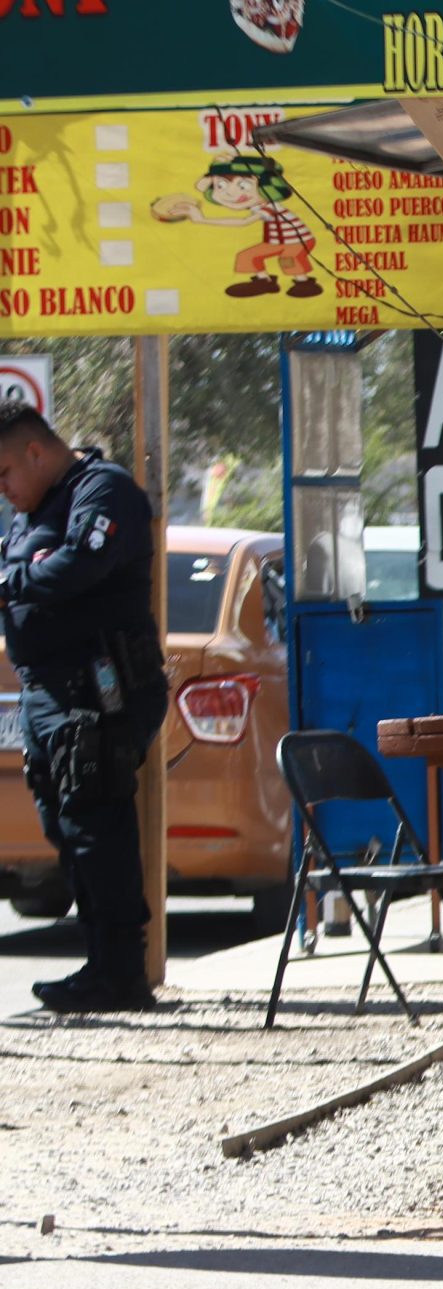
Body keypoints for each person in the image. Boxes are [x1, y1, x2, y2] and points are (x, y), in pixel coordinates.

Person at [0, 402, 169, 1014]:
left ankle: (123, 972)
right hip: (48, 693)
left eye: (4, 473)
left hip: (100, 693)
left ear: (36, 453)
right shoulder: (34, 511)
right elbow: (38, 568)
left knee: (97, 828)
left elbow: (81, 565)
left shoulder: (104, 489)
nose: (3, 490)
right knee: (67, 827)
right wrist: (30, 569)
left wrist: (17, 579)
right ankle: (100, 962)